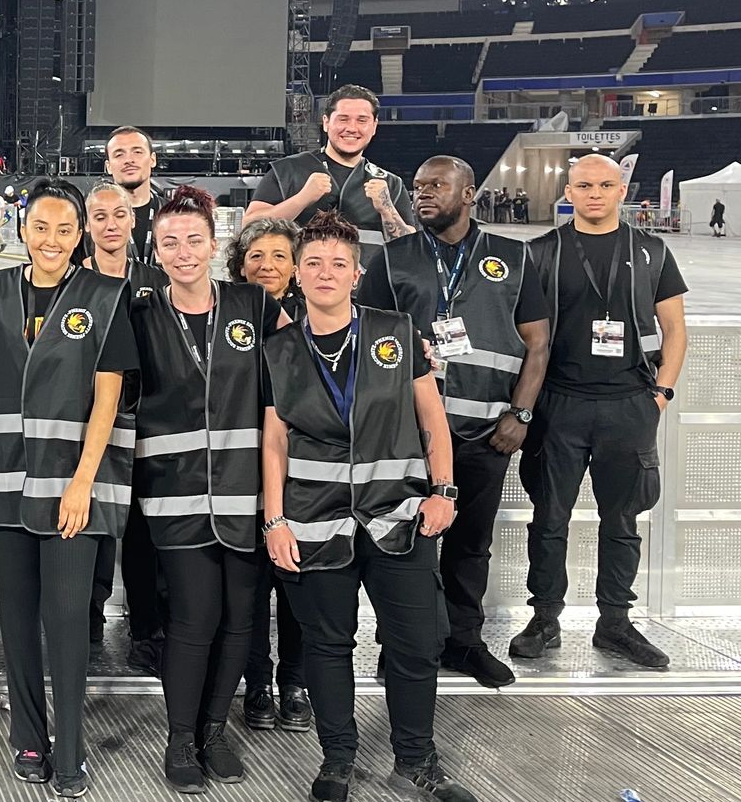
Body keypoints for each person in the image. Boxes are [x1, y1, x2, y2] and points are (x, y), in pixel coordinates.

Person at [261, 211, 476, 802]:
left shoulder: (397, 331)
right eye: (313, 263)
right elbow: (273, 443)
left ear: (357, 275)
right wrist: (274, 521)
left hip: (398, 519)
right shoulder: (278, 350)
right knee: (327, 645)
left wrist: (445, 491)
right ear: (297, 276)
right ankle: (338, 757)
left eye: (338, 264)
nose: (325, 273)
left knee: (415, 642)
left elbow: (433, 420)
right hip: (313, 522)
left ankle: (417, 760)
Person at [0, 178, 134, 797]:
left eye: (67, 229)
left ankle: (69, 749)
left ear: (82, 234)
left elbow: (109, 395)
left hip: (73, 480)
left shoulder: (105, 296)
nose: (53, 241)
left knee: (66, 621)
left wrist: (83, 481)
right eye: (41, 227)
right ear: (22, 228)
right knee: (16, 618)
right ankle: (29, 739)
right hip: (7, 471)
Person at [359, 156, 550, 689]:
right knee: (408, 546)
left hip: (488, 432)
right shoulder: (393, 260)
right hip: (410, 437)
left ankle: (463, 643)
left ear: (469, 194)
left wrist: (521, 414)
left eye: (436, 187)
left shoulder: (512, 257)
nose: (422, 195)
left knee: (470, 546)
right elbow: (367, 343)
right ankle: (403, 644)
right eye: (417, 188)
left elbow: (538, 343)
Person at [510, 153, 687, 671]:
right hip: (558, 405)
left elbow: (675, 330)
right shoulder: (540, 252)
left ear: (620, 189)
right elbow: (521, 332)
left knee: (623, 520)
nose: (594, 194)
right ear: (568, 190)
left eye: (605, 185)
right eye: (584, 185)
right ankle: (545, 618)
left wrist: (662, 394)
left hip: (628, 404)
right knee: (549, 519)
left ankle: (615, 622)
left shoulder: (651, 251)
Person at [132, 187, 281, 792]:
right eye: (171, 242)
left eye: (195, 239)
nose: (184, 251)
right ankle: (179, 738)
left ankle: (214, 730)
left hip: (247, 495)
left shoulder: (254, 304)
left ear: (214, 245)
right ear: (157, 251)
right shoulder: (140, 316)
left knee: (241, 619)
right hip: (176, 495)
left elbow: (304, 365)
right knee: (195, 617)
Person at [222, 215, 309, 730]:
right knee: (250, 590)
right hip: (241, 472)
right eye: (256, 256)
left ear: (295, 267)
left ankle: (294, 682)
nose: (267, 265)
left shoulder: (317, 315)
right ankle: (257, 683)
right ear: (238, 265)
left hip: (301, 474)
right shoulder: (224, 315)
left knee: (296, 583)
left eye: (279, 256)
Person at [81, 180, 167, 674]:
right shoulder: (73, 280)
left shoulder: (157, 281)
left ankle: (146, 631)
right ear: (88, 225)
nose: (110, 224)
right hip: (91, 424)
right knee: (92, 529)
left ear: (132, 219)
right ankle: (87, 625)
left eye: (119, 215)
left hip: (147, 425)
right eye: (100, 217)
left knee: (141, 532)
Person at [244, 85, 416, 248]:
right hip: (297, 278)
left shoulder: (390, 184)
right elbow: (249, 226)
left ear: (374, 127)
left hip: (367, 279)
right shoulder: (287, 170)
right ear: (326, 122)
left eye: (362, 120)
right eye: (343, 119)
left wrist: (387, 210)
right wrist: (302, 199)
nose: (352, 128)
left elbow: (411, 247)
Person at [105, 126, 172, 266]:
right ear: (108, 166)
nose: (129, 160)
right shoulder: (94, 220)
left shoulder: (173, 215)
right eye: (119, 154)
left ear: (153, 159)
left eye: (137, 152)